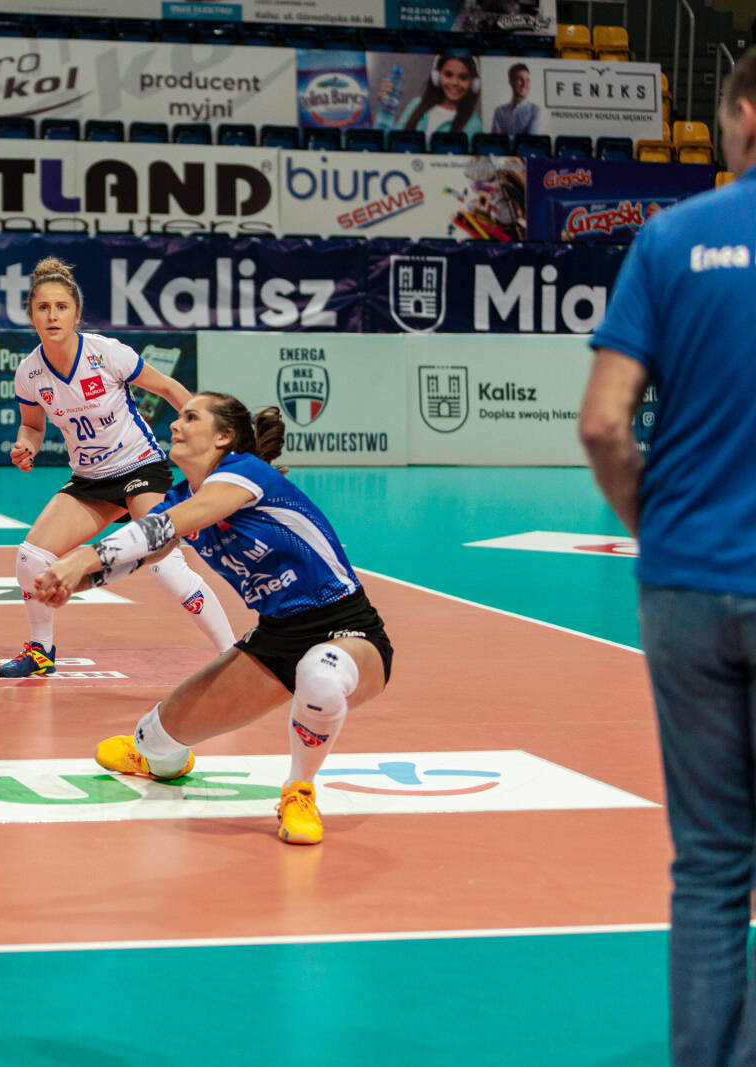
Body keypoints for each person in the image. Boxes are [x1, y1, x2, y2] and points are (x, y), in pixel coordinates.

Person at [579, 50, 756, 1067]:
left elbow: (605, 423)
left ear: (742, 116)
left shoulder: (672, 236)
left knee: (712, 868)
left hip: (688, 581)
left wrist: (662, 525)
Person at [34, 393, 394, 846]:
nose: (175, 425)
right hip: (275, 639)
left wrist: (82, 556)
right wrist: (75, 583)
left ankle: (299, 791)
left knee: (319, 675)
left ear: (224, 436)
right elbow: (144, 553)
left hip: (347, 629)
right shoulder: (183, 497)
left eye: (190, 417)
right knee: (155, 743)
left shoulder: (245, 473)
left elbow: (161, 528)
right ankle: (154, 754)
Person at [0, 257, 235, 678]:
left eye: (61, 307)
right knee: (31, 557)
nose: (52, 315)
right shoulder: (29, 373)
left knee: (165, 565)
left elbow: (168, 387)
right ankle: (41, 651)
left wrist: (205, 434)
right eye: (43, 308)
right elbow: (32, 426)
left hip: (140, 467)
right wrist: (25, 445)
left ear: (76, 314)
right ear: (31, 316)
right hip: (90, 479)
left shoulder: (106, 353)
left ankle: (232, 655)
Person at [382, 54, 483, 137]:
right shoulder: (415, 104)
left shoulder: (474, 124)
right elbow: (389, 144)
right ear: (436, 76)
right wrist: (385, 108)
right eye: (448, 75)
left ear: (474, 83)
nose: (454, 82)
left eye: (463, 77)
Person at [490, 63, 546, 138]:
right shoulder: (500, 111)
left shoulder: (535, 110)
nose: (524, 84)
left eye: (527, 80)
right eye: (520, 79)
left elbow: (530, 139)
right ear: (511, 81)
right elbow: (496, 139)